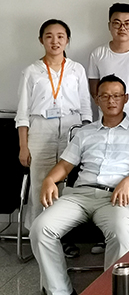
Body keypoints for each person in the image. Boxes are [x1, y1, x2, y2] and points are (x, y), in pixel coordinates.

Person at [30, 75, 129, 295]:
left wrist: (128, 181)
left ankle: (112, 291)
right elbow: (65, 164)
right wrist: (49, 180)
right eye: (105, 96)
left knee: (121, 233)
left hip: (115, 197)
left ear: (125, 98)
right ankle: (60, 291)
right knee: (40, 229)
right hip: (79, 195)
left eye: (116, 96)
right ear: (97, 100)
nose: (111, 100)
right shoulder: (84, 132)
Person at [15, 19, 92, 230]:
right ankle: (38, 233)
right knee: (40, 183)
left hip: (72, 128)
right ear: (41, 40)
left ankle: (64, 235)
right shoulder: (31, 71)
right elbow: (22, 112)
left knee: (68, 184)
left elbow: (86, 107)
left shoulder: (76, 69)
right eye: (49, 36)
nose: (55, 41)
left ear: (67, 40)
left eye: (60, 36)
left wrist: (86, 136)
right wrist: (23, 146)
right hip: (41, 129)